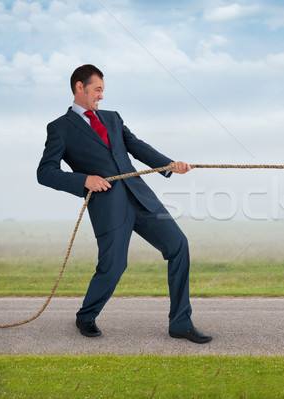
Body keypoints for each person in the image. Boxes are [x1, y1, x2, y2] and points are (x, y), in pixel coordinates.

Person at [37, 64, 212, 344]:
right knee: (114, 265)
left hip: (141, 197)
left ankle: (181, 322)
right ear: (79, 87)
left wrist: (169, 165)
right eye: (97, 89)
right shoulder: (59, 128)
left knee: (179, 245)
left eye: (103, 91)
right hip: (108, 205)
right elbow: (45, 172)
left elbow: (137, 145)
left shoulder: (113, 118)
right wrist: (84, 180)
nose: (101, 96)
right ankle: (86, 316)